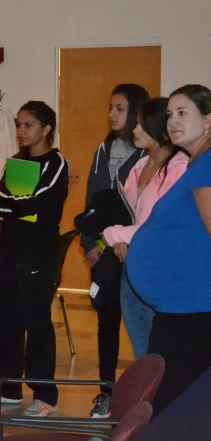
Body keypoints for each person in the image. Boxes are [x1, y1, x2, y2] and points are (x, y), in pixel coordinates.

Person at [0, 101, 69, 418]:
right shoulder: (16, 161)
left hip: (38, 253)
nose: (21, 131)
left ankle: (45, 395)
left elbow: (41, 204)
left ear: (46, 129)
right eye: (19, 124)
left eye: (28, 125)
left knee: (37, 324)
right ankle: (9, 386)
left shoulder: (56, 163)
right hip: (9, 251)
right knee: (8, 321)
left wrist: (18, 205)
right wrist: (21, 205)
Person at [127, 84, 211, 416]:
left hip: (191, 309)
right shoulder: (197, 164)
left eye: (183, 113)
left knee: (169, 403)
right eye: (169, 115)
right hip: (184, 308)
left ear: (208, 120)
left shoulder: (205, 166)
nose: (172, 121)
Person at [79, 83, 149, 419]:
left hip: (134, 250)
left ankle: (148, 394)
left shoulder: (149, 152)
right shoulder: (104, 149)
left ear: (136, 111)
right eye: (110, 108)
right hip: (104, 251)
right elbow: (92, 201)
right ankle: (105, 393)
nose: (111, 115)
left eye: (119, 109)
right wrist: (89, 243)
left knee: (142, 325)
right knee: (106, 322)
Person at [101, 98, 188, 364]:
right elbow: (129, 216)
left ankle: (166, 404)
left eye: (140, 124)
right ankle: (148, 402)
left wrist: (114, 234)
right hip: (133, 265)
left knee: (164, 350)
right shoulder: (138, 167)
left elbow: (160, 226)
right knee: (142, 351)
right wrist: (121, 240)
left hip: (164, 270)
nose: (134, 130)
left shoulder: (180, 166)